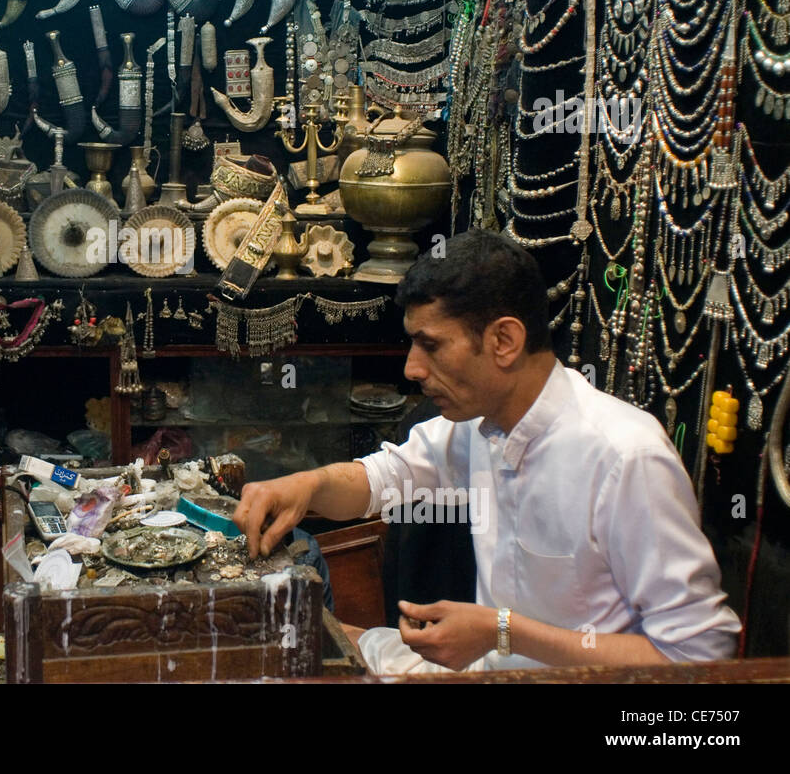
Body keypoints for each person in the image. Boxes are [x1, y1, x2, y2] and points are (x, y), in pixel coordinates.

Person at [232, 229, 741, 674]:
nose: (411, 368)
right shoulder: (478, 425)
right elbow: (383, 478)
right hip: (489, 665)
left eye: (430, 345)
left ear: (504, 341)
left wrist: (502, 631)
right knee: (309, 641)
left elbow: (701, 655)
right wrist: (307, 485)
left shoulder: (624, 457)